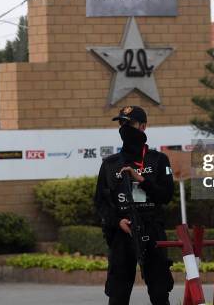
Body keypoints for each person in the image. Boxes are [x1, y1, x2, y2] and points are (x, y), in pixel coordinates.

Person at [94, 106, 175, 305]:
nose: (125, 128)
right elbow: (100, 202)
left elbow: (166, 196)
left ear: (143, 126)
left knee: (159, 292)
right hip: (123, 233)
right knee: (118, 295)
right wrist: (117, 221)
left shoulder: (158, 160)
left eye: (130, 124)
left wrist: (141, 179)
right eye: (122, 123)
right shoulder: (110, 164)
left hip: (152, 230)